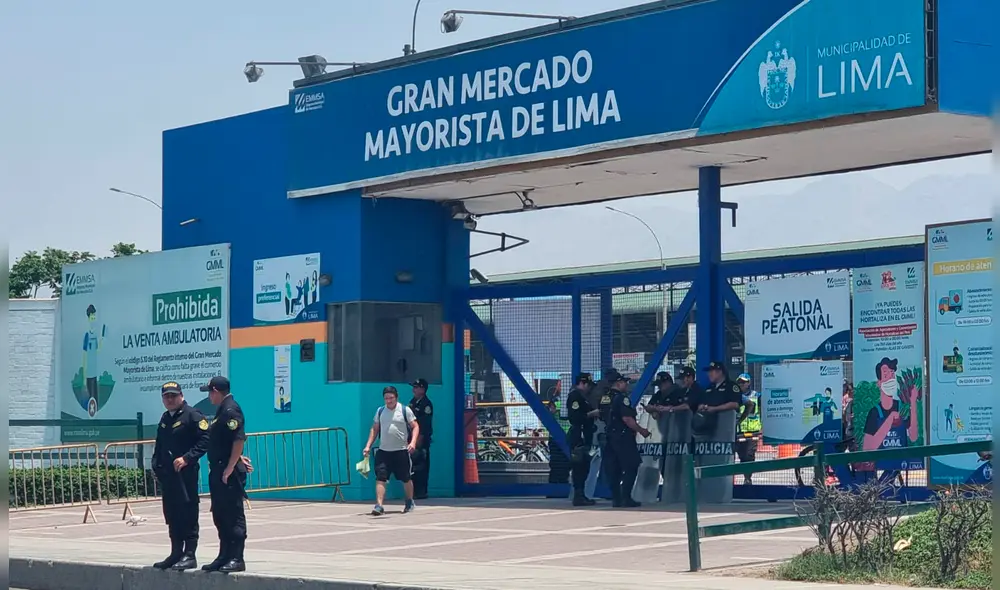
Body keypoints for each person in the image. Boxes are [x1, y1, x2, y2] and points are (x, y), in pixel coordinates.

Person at [152, 381, 210, 570]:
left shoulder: (193, 416)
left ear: (181, 396)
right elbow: (160, 444)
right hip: (168, 476)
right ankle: (175, 552)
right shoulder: (165, 418)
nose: (170, 399)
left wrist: (187, 458)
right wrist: (156, 465)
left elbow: (205, 440)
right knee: (172, 514)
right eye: (166, 396)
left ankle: (189, 554)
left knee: (188, 513)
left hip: (185, 475)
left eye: (173, 396)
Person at [200, 376, 249, 573]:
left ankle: (237, 557)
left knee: (233, 515)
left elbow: (238, 439)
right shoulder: (222, 410)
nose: (209, 396)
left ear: (216, 391)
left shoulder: (230, 410)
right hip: (220, 469)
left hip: (227, 472)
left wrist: (231, 465)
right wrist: (235, 459)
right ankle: (224, 555)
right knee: (220, 515)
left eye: (210, 392)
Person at [364, 386, 420, 516]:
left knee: (406, 478)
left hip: (401, 451)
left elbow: (415, 426)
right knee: (381, 477)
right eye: (386, 398)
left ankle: (409, 501)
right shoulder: (380, 411)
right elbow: (375, 429)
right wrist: (368, 445)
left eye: (391, 398)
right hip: (384, 451)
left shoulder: (405, 410)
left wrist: (413, 442)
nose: (388, 401)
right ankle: (379, 505)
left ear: (396, 397)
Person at [604, 373, 650, 508]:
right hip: (623, 437)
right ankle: (626, 497)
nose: (627, 385)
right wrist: (642, 430)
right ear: (618, 383)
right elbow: (627, 418)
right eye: (625, 382)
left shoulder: (605, 398)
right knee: (631, 465)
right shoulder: (622, 399)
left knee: (614, 469)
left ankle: (616, 499)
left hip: (609, 436)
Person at [863, 357, 920, 451]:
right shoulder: (874, 413)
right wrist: (890, 419)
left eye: (892, 374)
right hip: (882, 465)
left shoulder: (901, 407)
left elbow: (913, 437)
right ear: (879, 383)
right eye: (886, 375)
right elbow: (868, 447)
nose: (890, 378)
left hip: (902, 463)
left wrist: (913, 402)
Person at [566, 373, 599, 506]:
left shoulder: (583, 397)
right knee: (579, 467)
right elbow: (574, 418)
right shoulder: (575, 396)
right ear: (583, 383)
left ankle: (581, 494)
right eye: (588, 385)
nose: (589, 388)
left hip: (585, 436)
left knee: (584, 466)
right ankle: (578, 495)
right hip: (578, 437)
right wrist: (591, 414)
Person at [689, 361, 741, 438]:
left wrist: (715, 409)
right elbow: (702, 402)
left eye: (711, 372)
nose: (709, 374)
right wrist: (702, 407)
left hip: (726, 429)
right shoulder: (709, 388)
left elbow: (735, 404)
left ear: (720, 372)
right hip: (709, 429)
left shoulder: (731, 386)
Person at [407, 378, 433, 499]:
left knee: (422, 465)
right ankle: (413, 490)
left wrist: (420, 438)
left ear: (422, 389)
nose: (414, 389)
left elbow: (424, 423)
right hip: (411, 438)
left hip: (421, 439)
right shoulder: (413, 402)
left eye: (416, 387)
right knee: (412, 465)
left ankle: (421, 491)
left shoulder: (426, 404)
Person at [734, 373, 761, 485]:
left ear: (749, 383)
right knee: (741, 456)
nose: (741, 384)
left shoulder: (757, 396)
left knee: (749, 455)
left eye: (743, 382)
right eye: (739, 382)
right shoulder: (736, 396)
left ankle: (748, 478)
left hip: (753, 431)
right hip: (740, 431)